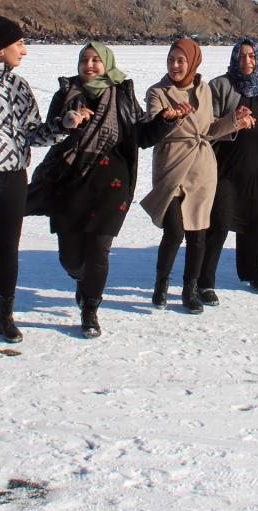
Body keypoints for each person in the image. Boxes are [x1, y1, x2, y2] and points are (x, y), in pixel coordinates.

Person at [27, 42, 187, 336]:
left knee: (99, 250)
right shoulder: (67, 93)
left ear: (107, 64)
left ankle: (90, 311)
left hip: (112, 183)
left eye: (95, 60)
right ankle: (81, 279)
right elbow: (48, 130)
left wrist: (167, 121)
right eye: (84, 60)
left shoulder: (122, 93)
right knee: (71, 258)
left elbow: (140, 134)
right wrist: (66, 123)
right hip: (70, 179)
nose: (89, 65)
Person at [0, 15, 83, 358]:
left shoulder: (19, 86)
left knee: (10, 249)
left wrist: (64, 125)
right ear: (0, 47)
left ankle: (5, 316)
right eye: (19, 43)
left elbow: (34, 133)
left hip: (14, 175)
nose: (24, 50)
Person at [142, 38, 252, 313]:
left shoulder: (203, 90)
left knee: (198, 235)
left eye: (181, 60)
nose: (175, 65)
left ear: (192, 62)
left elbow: (210, 129)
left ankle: (189, 290)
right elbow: (154, 124)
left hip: (202, 168)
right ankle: (161, 283)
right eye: (171, 59)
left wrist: (234, 120)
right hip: (171, 165)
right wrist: (170, 118)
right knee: (175, 230)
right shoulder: (157, 91)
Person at [199, 38, 258, 296]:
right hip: (225, 169)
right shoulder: (221, 86)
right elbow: (207, 127)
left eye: (251, 56)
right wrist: (234, 120)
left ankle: (254, 273)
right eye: (241, 56)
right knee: (219, 223)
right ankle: (205, 281)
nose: (247, 61)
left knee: (254, 222)